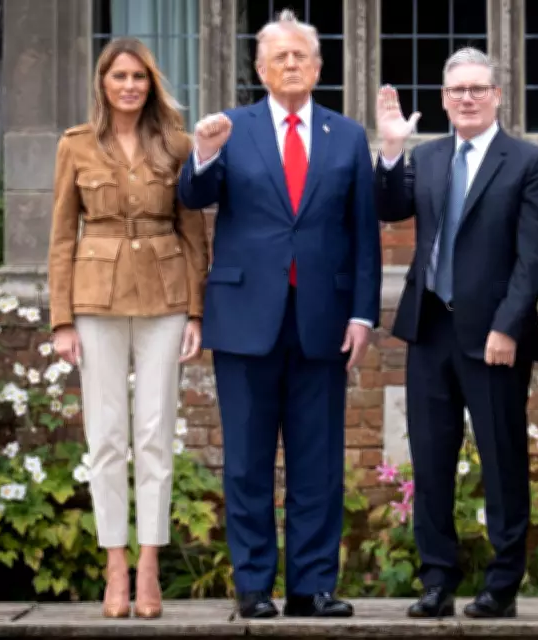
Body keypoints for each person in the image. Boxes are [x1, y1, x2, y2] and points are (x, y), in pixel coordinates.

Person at [177, 10, 381, 619]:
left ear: (319, 68)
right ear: (261, 69)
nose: (291, 65)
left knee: (317, 460)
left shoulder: (346, 135)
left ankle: (312, 586)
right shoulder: (230, 129)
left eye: (302, 56)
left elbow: (363, 234)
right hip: (245, 318)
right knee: (246, 459)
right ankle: (254, 586)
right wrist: (203, 153)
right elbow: (192, 196)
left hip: (323, 317)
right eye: (280, 57)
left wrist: (363, 314)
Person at [374, 48, 538, 619]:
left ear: (498, 95)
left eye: (478, 89)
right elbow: (389, 205)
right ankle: (436, 580)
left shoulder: (526, 161)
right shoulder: (427, 159)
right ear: (444, 99)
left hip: (494, 337)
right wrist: (390, 149)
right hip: (431, 327)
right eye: (457, 91)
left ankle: (502, 584)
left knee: (502, 459)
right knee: (430, 460)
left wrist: (509, 325)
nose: (467, 98)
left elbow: (534, 256)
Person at [47, 38, 209, 619]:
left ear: (151, 83)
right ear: (103, 82)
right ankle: (114, 564)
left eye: (139, 76)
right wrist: (61, 319)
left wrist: (196, 311)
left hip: (164, 299)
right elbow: (63, 234)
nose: (129, 86)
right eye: (119, 76)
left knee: (156, 436)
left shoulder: (176, 145)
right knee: (108, 437)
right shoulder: (76, 146)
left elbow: (194, 234)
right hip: (96, 300)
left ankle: (148, 566)